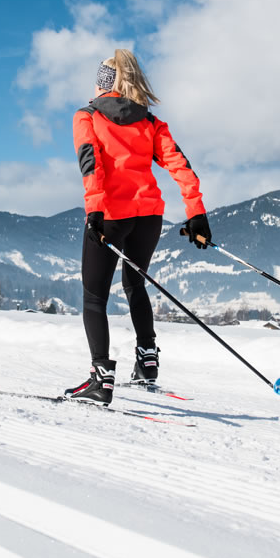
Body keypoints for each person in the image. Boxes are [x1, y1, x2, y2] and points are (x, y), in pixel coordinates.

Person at [64, 48, 212, 406]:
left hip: (111, 216)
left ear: (101, 83)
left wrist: (95, 211)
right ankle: (147, 360)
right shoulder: (149, 122)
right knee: (135, 284)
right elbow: (180, 165)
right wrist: (196, 213)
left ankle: (101, 378)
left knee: (94, 295)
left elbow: (91, 165)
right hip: (148, 216)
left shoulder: (86, 117)